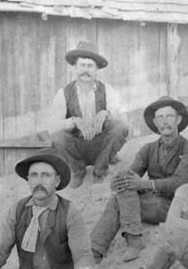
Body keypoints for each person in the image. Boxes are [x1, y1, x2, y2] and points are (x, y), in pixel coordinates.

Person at [91, 97, 188, 263]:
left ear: (178, 119)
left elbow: (179, 182)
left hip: (176, 205)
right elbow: (132, 173)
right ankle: (95, 250)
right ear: (155, 122)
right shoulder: (148, 148)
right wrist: (118, 181)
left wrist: (144, 184)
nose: (164, 122)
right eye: (160, 118)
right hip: (151, 203)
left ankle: (130, 241)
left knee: (119, 199)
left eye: (169, 116)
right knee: (123, 186)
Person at [48, 41, 128, 187]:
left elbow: (123, 118)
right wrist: (74, 121)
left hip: (101, 146)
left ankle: (100, 171)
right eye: (82, 65)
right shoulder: (63, 93)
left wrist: (106, 114)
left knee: (120, 127)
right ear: (75, 68)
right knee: (57, 136)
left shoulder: (107, 90)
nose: (86, 70)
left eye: (90, 66)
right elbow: (51, 126)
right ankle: (78, 172)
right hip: (76, 148)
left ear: (96, 69)